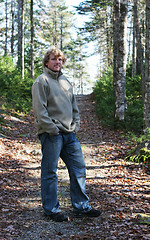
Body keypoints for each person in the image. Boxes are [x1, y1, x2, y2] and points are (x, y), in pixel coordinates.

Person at [32, 46, 101, 222]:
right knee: (50, 172)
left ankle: (81, 206)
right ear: (47, 61)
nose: (58, 62)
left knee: (78, 168)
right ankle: (51, 209)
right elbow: (40, 111)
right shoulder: (41, 81)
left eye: (61, 60)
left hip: (70, 135)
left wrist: (76, 124)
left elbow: (74, 107)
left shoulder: (66, 82)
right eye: (54, 59)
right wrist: (53, 129)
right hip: (52, 135)